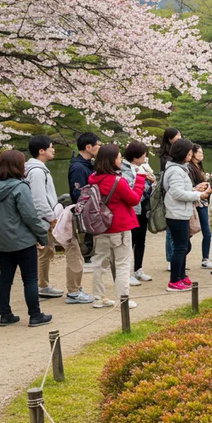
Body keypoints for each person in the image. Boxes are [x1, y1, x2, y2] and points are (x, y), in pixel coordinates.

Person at [0, 149, 52, 327]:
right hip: (22, 240)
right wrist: (42, 236)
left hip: (3, 240)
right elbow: (30, 216)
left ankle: (5, 314)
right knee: (30, 278)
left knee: (5, 278)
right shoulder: (20, 187)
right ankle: (35, 315)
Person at [87, 144, 147, 308]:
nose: (121, 160)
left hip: (100, 226)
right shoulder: (117, 181)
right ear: (113, 160)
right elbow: (134, 199)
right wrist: (140, 180)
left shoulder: (93, 178)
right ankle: (124, 299)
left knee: (99, 263)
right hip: (119, 227)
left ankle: (98, 298)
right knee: (122, 264)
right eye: (119, 157)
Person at [162, 139, 210, 291]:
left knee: (183, 246)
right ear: (182, 153)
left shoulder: (179, 168)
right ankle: (174, 280)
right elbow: (176, 193)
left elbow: (179, 190)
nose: (191, 155)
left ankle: (181, 276)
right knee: (180, 247)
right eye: (189, 152)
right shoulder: (175, 170)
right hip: (177, 214)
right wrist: (199, 196)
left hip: (181, 212)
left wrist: (195, 189)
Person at [25, 135, 65, 299]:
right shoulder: (37, 172)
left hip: (43, 217)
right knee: (45, 251)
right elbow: (39, 198)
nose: (53, 149)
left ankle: (42, 284)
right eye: (51, 147)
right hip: (42, 219)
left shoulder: (37, 169)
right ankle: (42, 285)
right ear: (41, 151)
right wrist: (51, 218)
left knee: (47, 250)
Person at [62, 132, 99, 302]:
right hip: (81, 213)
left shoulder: (86, 164)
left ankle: (76, 289)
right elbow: (78, 193)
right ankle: (74, 291)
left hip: (87, 211)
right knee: (76, 252)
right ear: (88, 146)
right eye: (97, 144)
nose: (99, 147)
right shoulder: (78, 167)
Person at [121, 141, 154, 284]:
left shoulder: (142, 168)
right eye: (143, 155)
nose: (145, 157)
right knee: (130, 241)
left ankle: (138, 269)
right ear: (135, 157)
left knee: (141, 240)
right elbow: (130, 190)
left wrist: (151, 182)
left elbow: (145, 189)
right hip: (132, 210)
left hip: (143, 209)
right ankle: (127, 273)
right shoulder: (125, 170)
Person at [157, 127, 181, 270]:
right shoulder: (166, 158)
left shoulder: (177, 156)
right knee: (171, 228)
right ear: (169, 139)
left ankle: (176, 257)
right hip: (170, 195)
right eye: (177, 135)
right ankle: (171, 258)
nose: (180, 136)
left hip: (178, 194)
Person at [190, 144, 212, 270]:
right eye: (199, 152)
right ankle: (176, 258)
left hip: (203, 201)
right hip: (196, 202)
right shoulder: (189, 167)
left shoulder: (198, 167)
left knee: (207, 232)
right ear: (192, 153)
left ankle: (206, 258)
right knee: (192, 231)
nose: (201, 154)